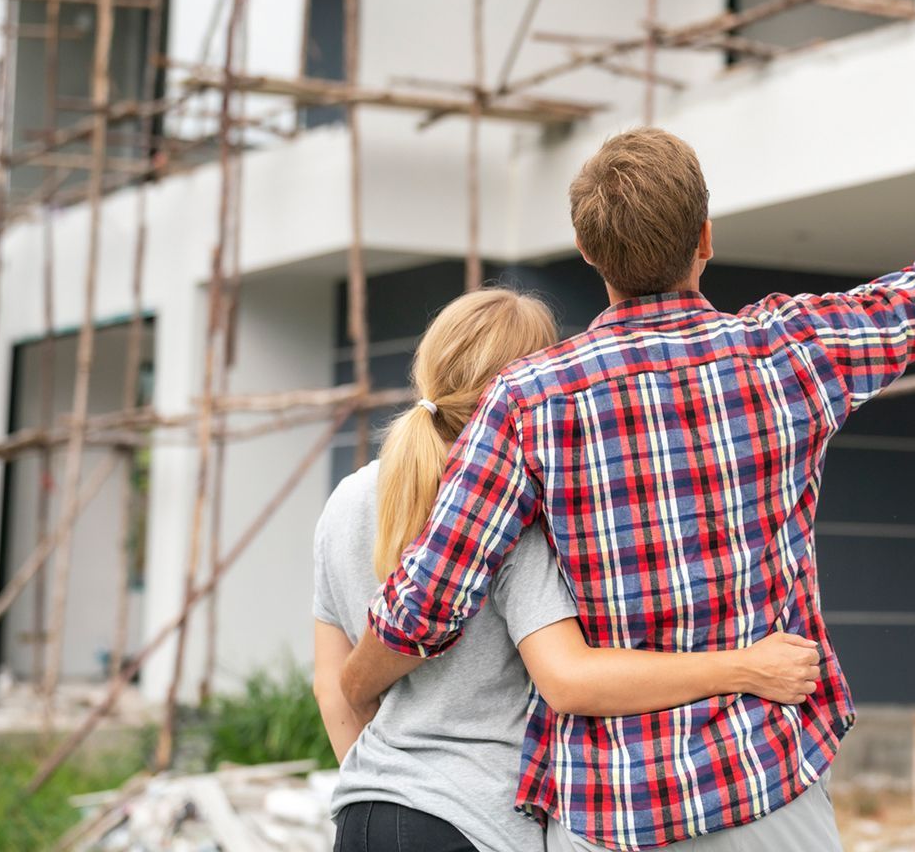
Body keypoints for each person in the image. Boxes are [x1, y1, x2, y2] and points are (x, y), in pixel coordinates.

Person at [343, 77, 915, 850]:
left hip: (613, 815)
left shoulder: (526, 401)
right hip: (767, 787)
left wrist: (353, 683)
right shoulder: (788, 352)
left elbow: (430, 602)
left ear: (588, 252)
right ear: (705, 237)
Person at [313, 288, 825, 852]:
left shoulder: (346, 499)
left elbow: (333, 686)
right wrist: (746, 668)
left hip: (362, 814)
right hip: (474, 822)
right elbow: (570, 679)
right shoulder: (509, 513)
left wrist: (383, 787)